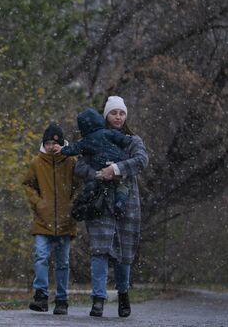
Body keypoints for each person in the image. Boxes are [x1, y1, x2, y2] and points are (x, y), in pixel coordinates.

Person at [73, 96, 149, 318]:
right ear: (106, 115)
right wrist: (98, 173)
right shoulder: (94, 139)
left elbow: (142, 160)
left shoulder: (133, 140)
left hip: (128, 203)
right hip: (99, 200)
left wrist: (116, 168)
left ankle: (123, 294)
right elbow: (80, 166)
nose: (118, 116)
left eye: (121, 113)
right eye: (114, 113)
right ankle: (98, 299)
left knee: (124, 252)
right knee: (100, 249)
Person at [22, 122, 78, 315]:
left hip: (65, 220)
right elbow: (28, 184)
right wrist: (38, 203)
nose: (52, 146)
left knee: (63, 262)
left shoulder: (71, 161)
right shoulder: (37, 163)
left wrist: (73, 205)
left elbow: (80, 186)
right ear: (43, 144)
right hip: (42, 220)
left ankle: (62, 299)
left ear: (62, 143)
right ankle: (41, 295)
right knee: (41, 256)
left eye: (56, 143)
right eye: (48, 143)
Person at [59, 107, 133, 219]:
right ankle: (120, 202)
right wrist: (127, 140)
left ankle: (84, 199)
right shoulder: (109, 132)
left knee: (93, 182)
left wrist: (62, 149)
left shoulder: (86, 140)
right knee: (123, 184)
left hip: (100, 163)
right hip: (118, 161)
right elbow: (122, 139)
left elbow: (74, 149)